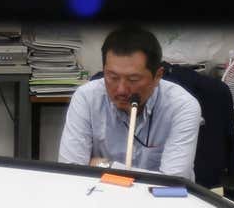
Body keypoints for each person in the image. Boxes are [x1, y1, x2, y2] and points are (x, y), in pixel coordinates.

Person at [57, 26, 201, 179]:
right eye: (112, 77)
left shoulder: (182, 106)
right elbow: (71, 172)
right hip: (102, 196)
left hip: (159, 199)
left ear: (157, 76)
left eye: (133, 80)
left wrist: (104, 165)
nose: (121, 90)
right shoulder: (86, 97)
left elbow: (173, 182)